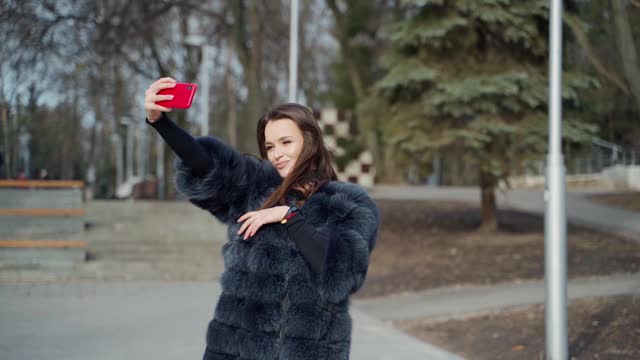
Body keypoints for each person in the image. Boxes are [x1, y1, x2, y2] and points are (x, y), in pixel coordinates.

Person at [144, 77, 380, 360]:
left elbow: (341, 274)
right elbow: (206, 164)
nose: (277, 154)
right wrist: (161, 123)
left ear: (311, 140)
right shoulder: (255, 189)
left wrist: (289, 217)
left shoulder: (347, 204)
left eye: (286, 142)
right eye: (269, 146)